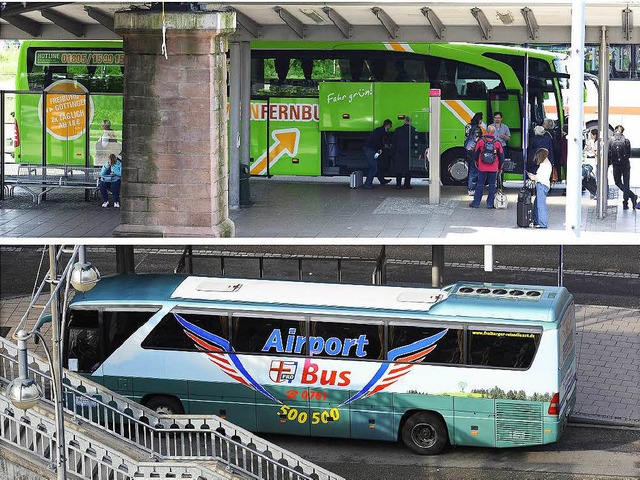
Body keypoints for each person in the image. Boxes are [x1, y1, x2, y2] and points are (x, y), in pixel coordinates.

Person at [469, 125, 504, 209]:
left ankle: (476, 203)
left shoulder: (481, 141)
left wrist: (477, 163)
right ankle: (490, 204)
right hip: (493, 168)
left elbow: (475, 154)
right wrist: (500, 168)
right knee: (492, 185)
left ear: (486, 131)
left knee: (480, 184)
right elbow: (501, 156)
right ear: (494, 132)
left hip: (482, 168)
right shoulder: (497, 142)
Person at [608, 125, 638, 210]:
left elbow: (609, 154)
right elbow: (629, 154)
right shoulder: (626, 141)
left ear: (615, 130)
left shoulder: (610, 141)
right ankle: (626, 203)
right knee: (626, 183)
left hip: (616, 165)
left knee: (618, 182)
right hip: (625, 165)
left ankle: (632, 196)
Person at [363, 119, 393, 189]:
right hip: (370, 149)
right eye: (390, 126)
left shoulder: (379, 130)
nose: (390, 128)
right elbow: (377, 141)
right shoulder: (382, 131)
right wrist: (382, 147)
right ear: (388, 125)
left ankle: (382, 180)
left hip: (371, 149)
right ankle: (367, 184)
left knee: (378, 165)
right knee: (373, 167)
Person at [527, 148, 552, 228]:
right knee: (537, 203)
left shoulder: (544, 165)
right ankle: (537, 221)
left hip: (542, 185)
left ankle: (542, 223)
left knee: (541, 205)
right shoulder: (547, 163)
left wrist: (533, 177)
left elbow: (541, 178)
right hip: (543, 185)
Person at [392, 116, 417, 189]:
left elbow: (394, 141)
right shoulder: (413, 130)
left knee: (399, 168)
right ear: (410, 121)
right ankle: (407, 184)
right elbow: (415, 142)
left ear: (404, 121)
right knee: (408, 169)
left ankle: (398, 185)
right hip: (408, 152)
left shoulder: (398, 130)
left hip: (399, 152)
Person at [464, 112, 483, 196]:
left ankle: (469, 187)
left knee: (470, 168)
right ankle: (471, 189)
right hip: (473, 150)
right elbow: (477, 140)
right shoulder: (477, 129)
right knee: (474, 169)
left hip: (467, 149)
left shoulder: (468, 125)